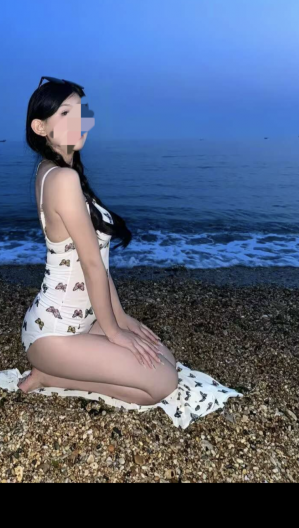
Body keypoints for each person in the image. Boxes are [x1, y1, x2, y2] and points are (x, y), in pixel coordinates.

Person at [19, 76, 179, 406]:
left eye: (81, 112)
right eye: (66, 113)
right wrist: (115, 332)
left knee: (166, 359)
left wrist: (121, 319)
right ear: (40, 127)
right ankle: (50, 376)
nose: (79, 121)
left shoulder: (57, 171)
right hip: (54, 333)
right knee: (163, 384)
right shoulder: (62, 178)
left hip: (81, 322)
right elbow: (91, 265)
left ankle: (55, 370)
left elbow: (99, 265)